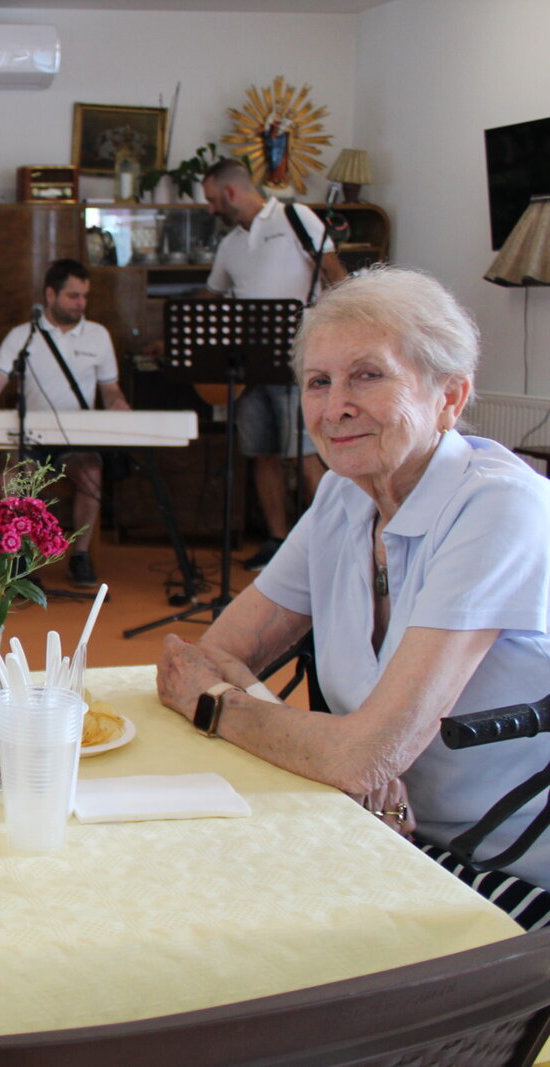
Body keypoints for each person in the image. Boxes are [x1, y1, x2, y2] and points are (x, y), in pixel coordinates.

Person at [155, 267, 550, 929]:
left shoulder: (499, 507)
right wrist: (344, 755)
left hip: (502, 867)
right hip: (370, 831)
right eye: (318, 382)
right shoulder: (344, 495)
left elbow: (358, 754)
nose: (335, 406)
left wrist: (219, 705)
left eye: (367, 375)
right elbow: (215, 651)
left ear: (450, 397)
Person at [201, 157, 347, 570]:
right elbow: (212, 296)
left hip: (300, 362)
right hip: (250, 366)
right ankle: (278, 542)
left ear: (231, 192)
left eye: (213, 199)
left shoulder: (296, 218)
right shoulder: (230, 245)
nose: (210, 208)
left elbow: (335, 275)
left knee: (305, 454)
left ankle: (335, 544)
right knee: (261, 453)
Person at [0, 258, 128, 590]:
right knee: (9, 477)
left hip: (77, 439)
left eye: (84, 296)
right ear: (50, 294)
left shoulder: (98, 335)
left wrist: (117, 401)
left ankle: (80, 555)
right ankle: (19, 555)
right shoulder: (23, 336)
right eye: (73, 296)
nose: (81, 303)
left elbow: (110, 388)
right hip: (31, 437)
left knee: (92, 472)